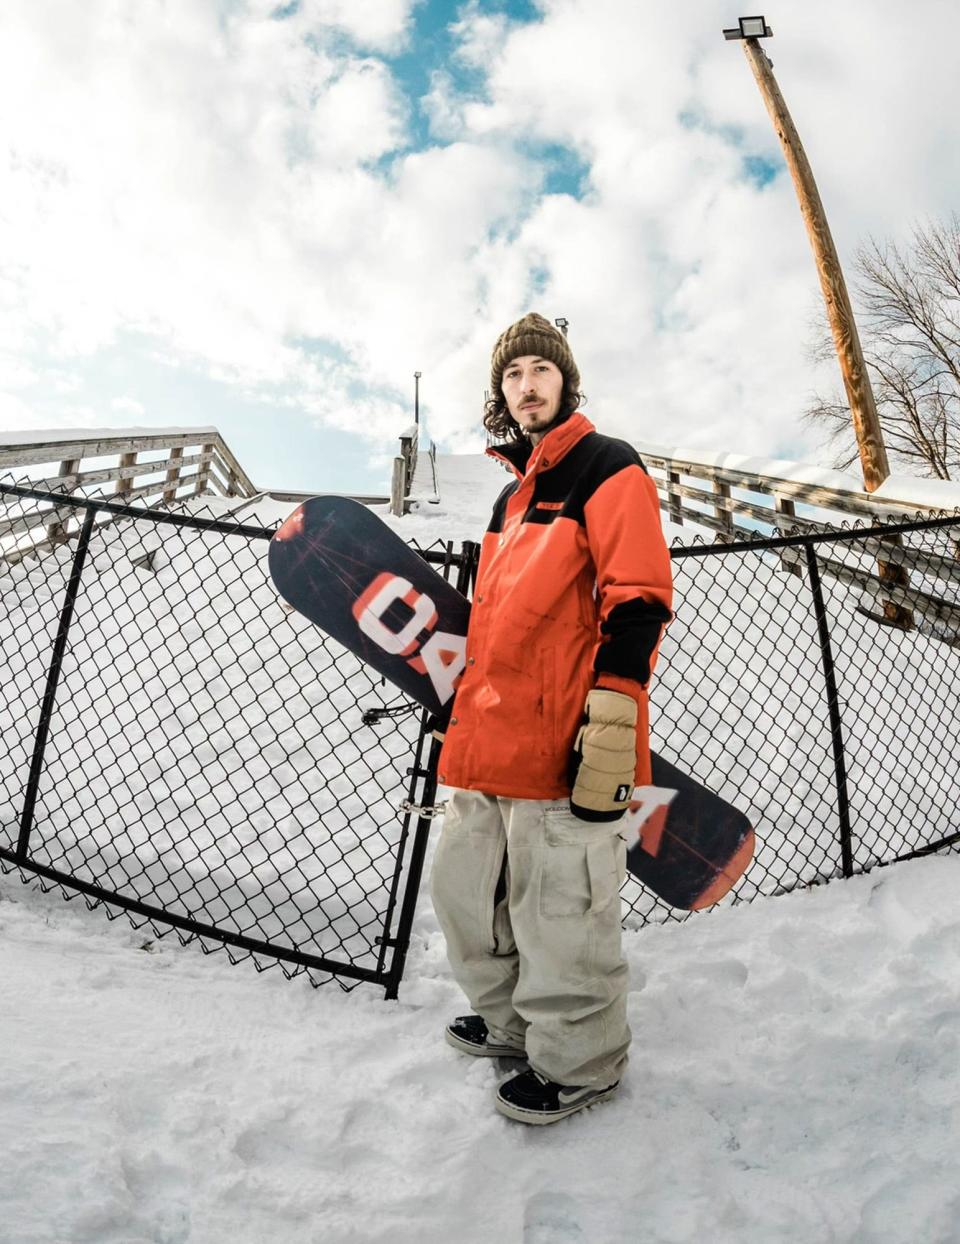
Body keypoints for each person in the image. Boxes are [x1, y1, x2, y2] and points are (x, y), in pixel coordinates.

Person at [430, 312, 674, 1125]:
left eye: (540, 369)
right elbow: (497, 625)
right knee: (470, 894)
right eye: (512, 374)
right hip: (490, 736)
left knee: (559, 911)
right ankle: (511, 1025)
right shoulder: (508, 497)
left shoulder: (609, 466)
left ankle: (580, 1062)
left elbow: (638, 596)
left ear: (565, 381)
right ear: (500, 393)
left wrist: (613, 715)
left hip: (563, 739)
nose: (526, 385)